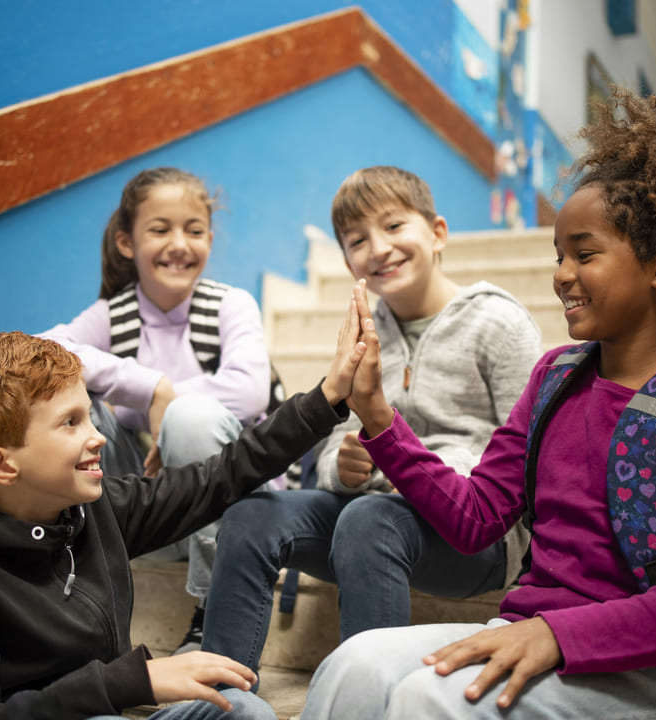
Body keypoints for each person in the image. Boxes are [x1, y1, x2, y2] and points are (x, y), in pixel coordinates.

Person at [300, 79, 656, 720]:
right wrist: (380, 420)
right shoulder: (555, 378)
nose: (560, 274)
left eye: (585, 254)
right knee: (351, 668)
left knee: (426, 701)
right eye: (559, 255)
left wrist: (559, 635)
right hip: (528, 637)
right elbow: (475, 519)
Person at [0, 317, 368, 720]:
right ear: (2, 464)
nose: (97, 438)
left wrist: (326, 399)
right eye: (71, 423)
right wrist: (128, 682)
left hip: (111, 708)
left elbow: (219, 476)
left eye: (90, 416)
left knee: (240, 708)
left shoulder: (92, 514)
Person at [201, 166, 542, 673]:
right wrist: (345, 466)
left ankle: (370, 699)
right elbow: (335, 451)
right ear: (347, 260)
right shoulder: (361, 330)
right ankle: (218, 693)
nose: (379, 248)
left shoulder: (499, 323)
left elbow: (527, 458)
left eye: (395, 226)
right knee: (250, 516)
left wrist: (407, 467)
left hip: (477, 537)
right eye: (358, 240)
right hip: (378, 515)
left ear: (438, 233)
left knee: (368, 518)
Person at [39, 167, 272, 653]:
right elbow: (41, 350)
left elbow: (251, 394)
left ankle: (215, 608)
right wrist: (150, 390)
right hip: (149, 510)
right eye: (159, 229)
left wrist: (172, 411)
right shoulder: (113, 316)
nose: (179, 244)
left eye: (193, 230)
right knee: (70, 404)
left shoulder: (231, 305)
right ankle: (75, 581)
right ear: (127, 242)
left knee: (191, 419)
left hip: (230, 511)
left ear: (209, 238)